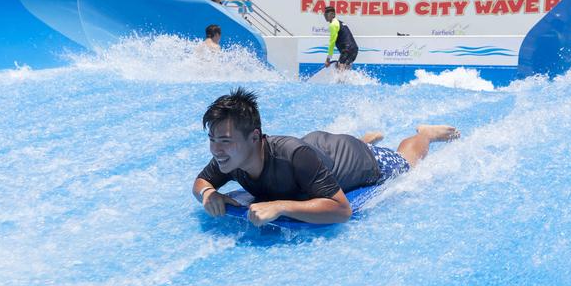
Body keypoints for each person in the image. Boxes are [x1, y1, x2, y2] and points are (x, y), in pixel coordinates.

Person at [192, 88, 460, 226]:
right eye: (212, 140)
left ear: (254, 137)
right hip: (320, 148)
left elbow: (342, 210)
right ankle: (362, 138)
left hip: (358, 159)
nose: (216, 149)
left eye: (225, 141)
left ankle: (425, 133)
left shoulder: (293, 156)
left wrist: (281, 206)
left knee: (406, 163)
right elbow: (202, 181)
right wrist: (209, 195)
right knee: (324, 156)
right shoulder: (229, 158)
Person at [324, 6, 358, 71]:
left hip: (347, 49)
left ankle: (340, 80)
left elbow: (332, 42)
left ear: (333, 14)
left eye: (327, 14)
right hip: (354, 49)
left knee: (340, 68)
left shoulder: (333, 24)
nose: (325, 16)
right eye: (324, 14)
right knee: (344, 69)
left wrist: (328, 59)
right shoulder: (340, 22)